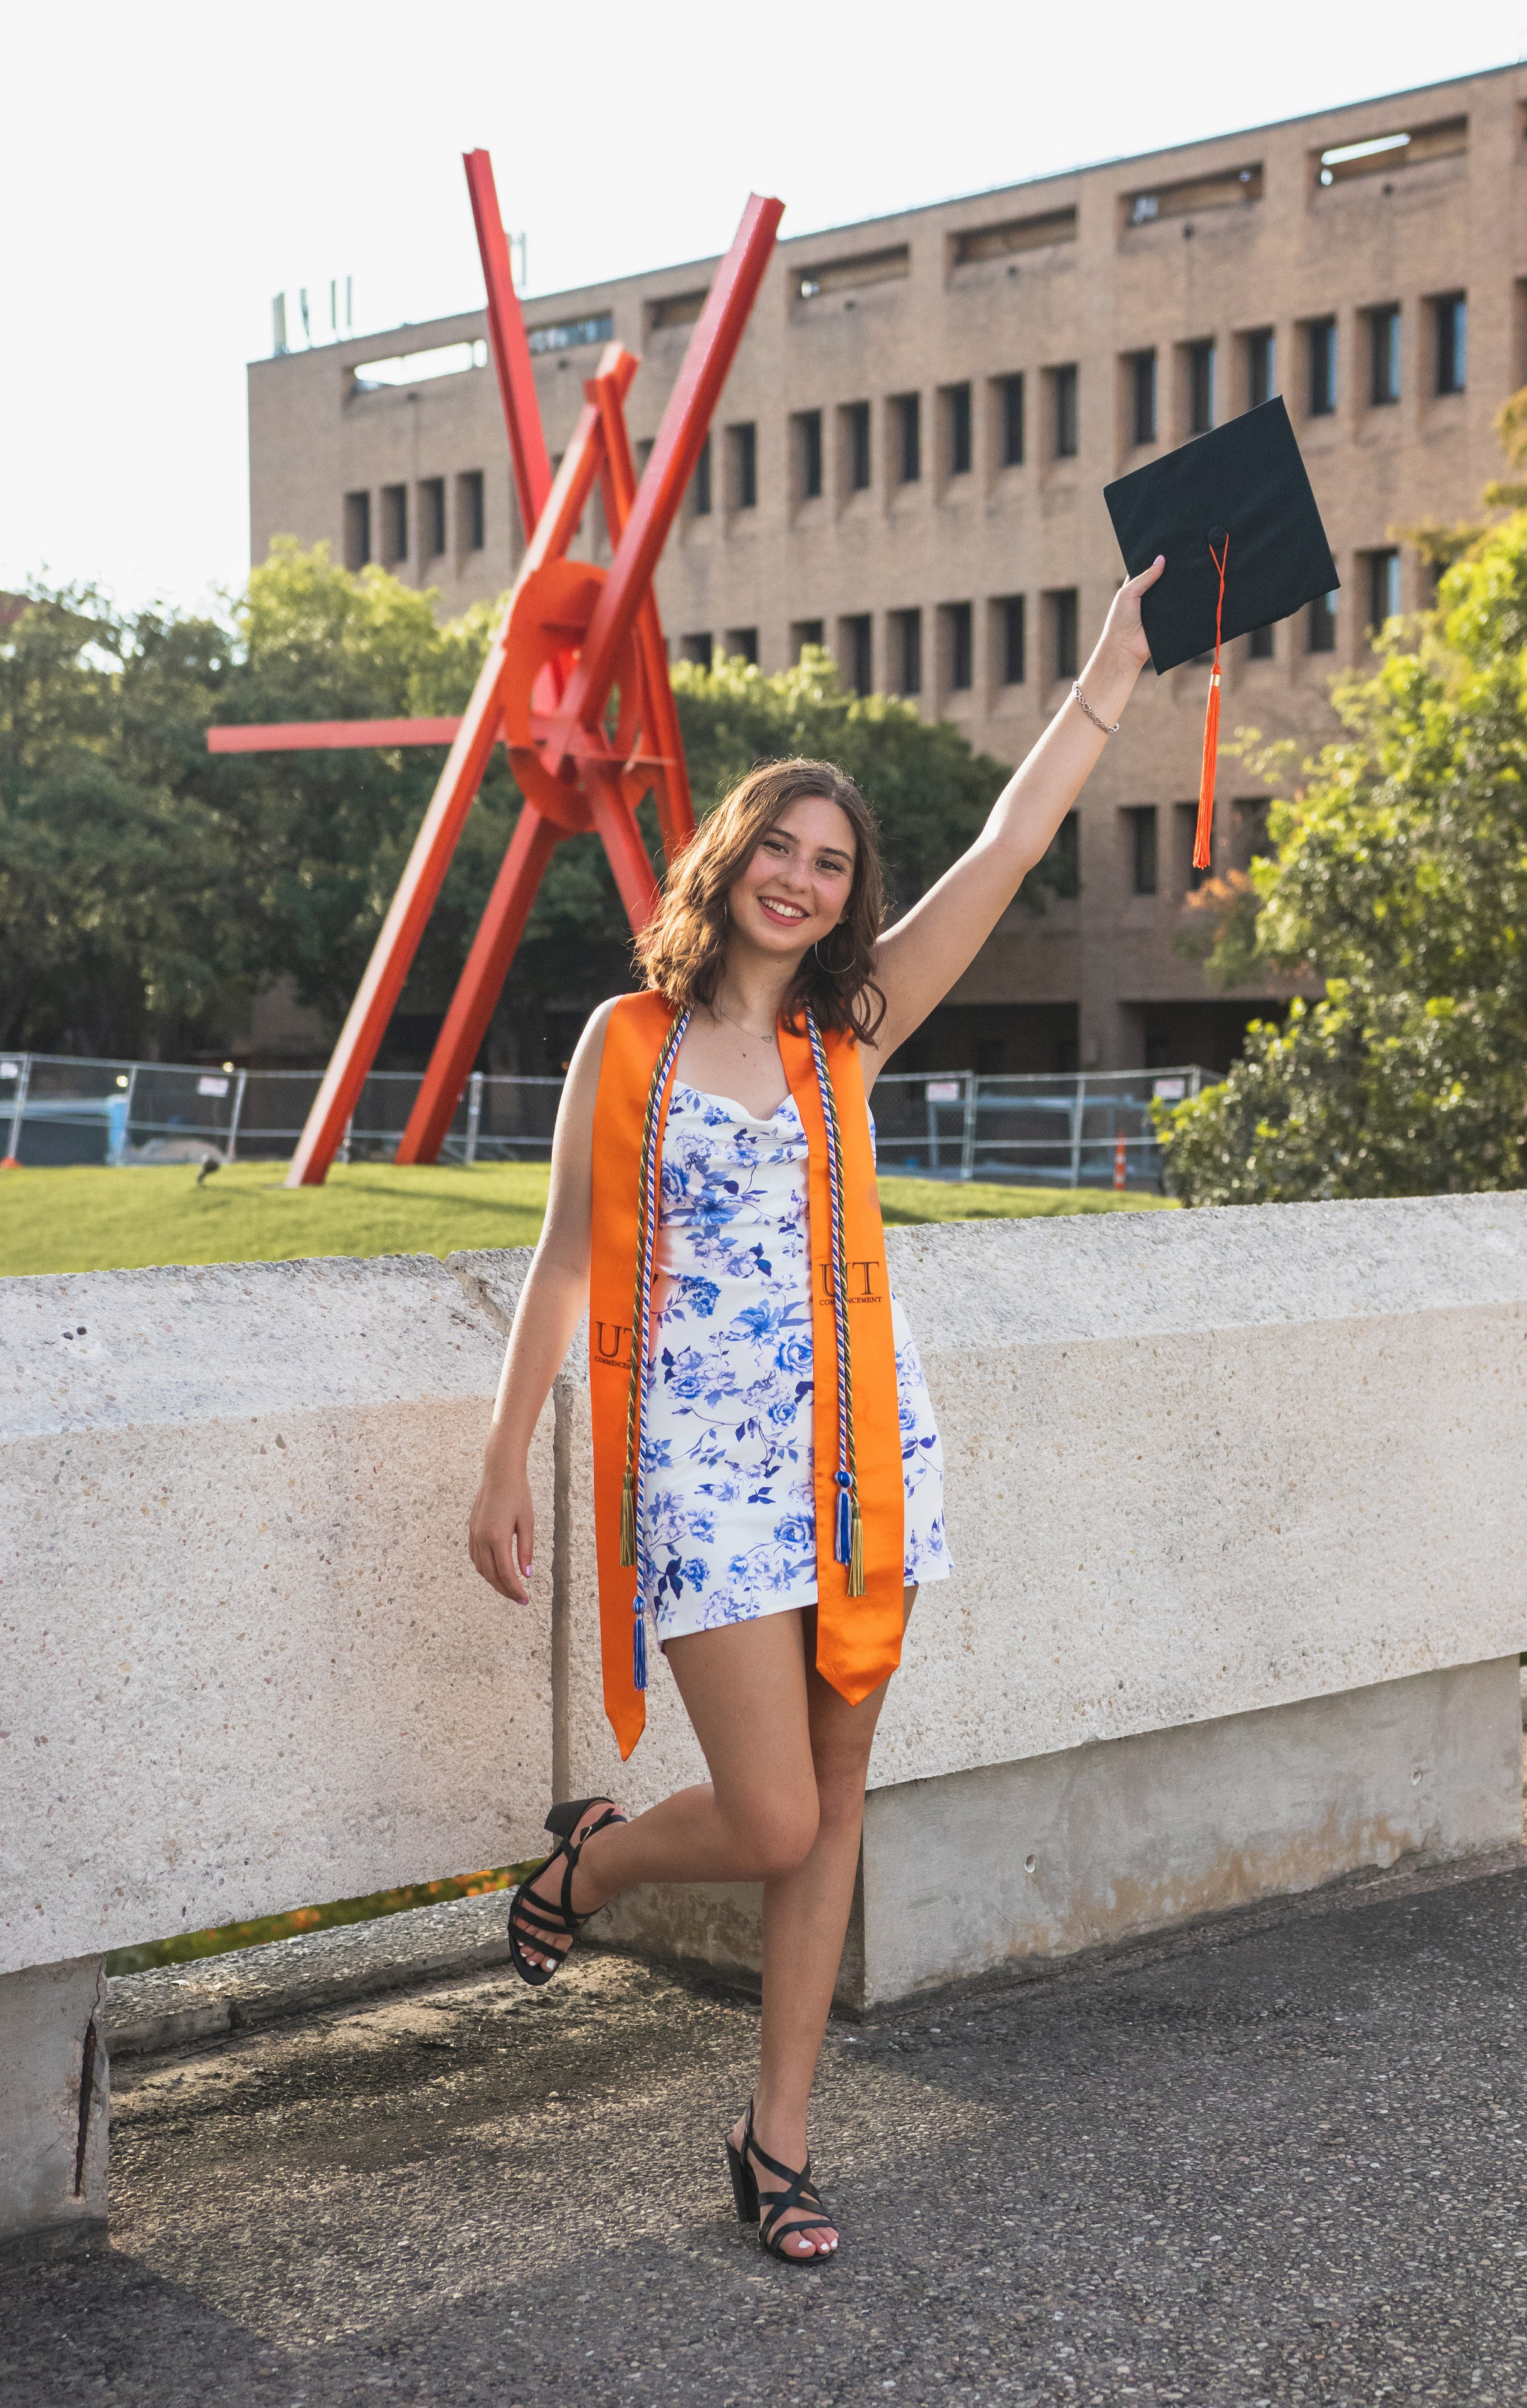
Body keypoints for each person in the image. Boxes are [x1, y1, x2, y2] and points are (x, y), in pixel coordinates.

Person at [467, 557, 1163, 2261]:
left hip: (856, 1457)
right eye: (779, 845)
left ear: (851, 898)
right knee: (770, 1810)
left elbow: (1009, 847)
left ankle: (775, 2135)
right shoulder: (627, 1041)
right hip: (700, 1470)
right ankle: (595, 1867)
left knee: (837, 1802)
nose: (800, 876)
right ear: (730, 860)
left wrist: (1112, 674)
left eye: (832, 862)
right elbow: (566, 1256)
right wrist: (505, 1458)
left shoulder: (850, 1034)